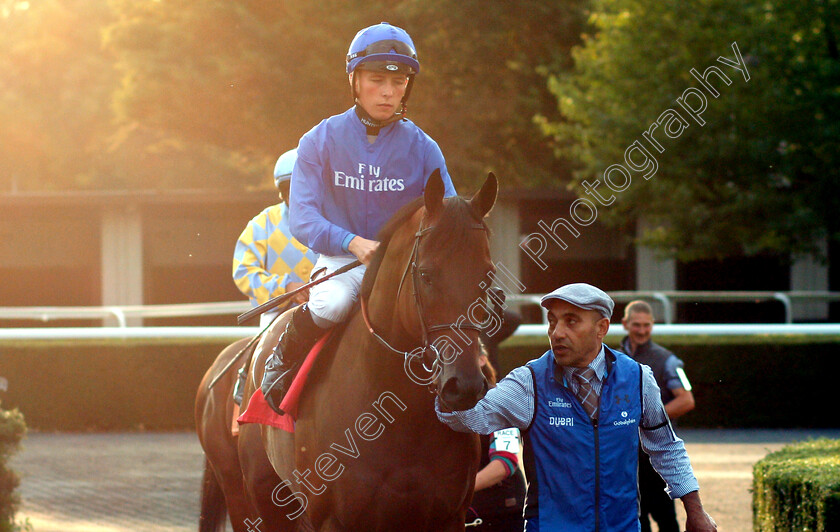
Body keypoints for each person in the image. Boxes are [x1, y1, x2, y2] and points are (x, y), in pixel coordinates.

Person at [261, 22, 456, 415]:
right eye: (376, 79)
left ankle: (482, 410)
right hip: (343, 261)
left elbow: (448, 215)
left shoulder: (424, 148)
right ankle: (280, 360)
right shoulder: (318, 140)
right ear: (355, 79)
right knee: (330, 304)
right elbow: (302, 218)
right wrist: (352, 242)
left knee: (454, 317)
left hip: (404, 268)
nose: (387, 91)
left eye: (398, 81)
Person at [437, 283, 717, 532]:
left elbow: (666, 446)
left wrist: (695, 510)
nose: (557, 332)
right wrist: (443, 376)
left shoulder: (638, 377)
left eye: (571, 321)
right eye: (552, 321)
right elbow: (464, 419)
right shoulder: (529, 382)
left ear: (602, 328)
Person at [231, 148, 319, 408]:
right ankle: (242, 398)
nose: (297, 193)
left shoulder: (334, 219)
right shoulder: (262, 224)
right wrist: (286, 288)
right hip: (280, 310)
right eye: (290, 187)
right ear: (281, 190)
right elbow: (243, 271)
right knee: (261, 348)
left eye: (303, 185)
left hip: (327, 305)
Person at [620, 300, 696, 532]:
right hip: (624, 453)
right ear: (625, 324)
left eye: (646, 325)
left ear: (653, 325)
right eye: (636, 325)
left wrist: (646, 420)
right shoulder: (612, 357)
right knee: (632, 517)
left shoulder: (669, 360)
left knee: (665, 517)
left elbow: (687, 400)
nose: (641, 331)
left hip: (656, 454)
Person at [466, 347, 526, 531]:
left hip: (503, 513)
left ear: (482, 360)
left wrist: (457, 490)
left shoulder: (499, 401)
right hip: (467, 513)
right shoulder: (445, 406)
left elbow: (505, 463)